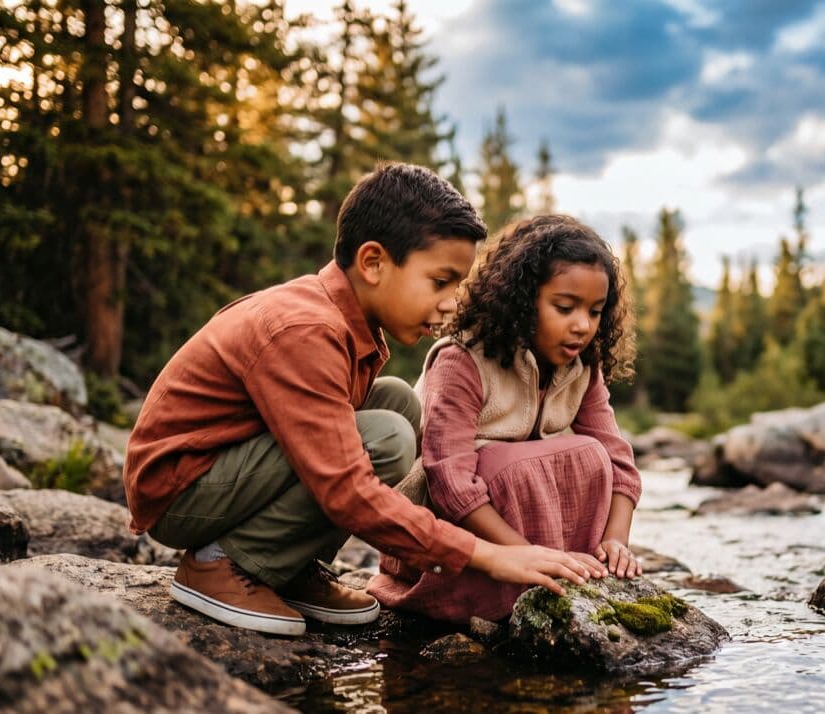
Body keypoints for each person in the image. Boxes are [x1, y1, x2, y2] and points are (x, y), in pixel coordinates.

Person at [123, 164, 596, 637]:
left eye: (458, 285)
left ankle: (285, 566)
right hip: (180, 490)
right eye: (440, 281)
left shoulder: (343, 323)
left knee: (400, 407)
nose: (453, 303)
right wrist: (490, 557)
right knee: (386, 437)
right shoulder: (307, 330)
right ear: (372, 263)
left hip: (225, 473)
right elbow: (346, 489)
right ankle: (219, 565)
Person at [368, 214, 643, 622]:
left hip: (528, 546)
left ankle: (567, 570)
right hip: (453, 545)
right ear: (521, 300)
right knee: (506, 465)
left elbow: (620, 464)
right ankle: (525, 579)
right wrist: (519, 556)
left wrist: (616, 542)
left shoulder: (583, 368)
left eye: (596, 311)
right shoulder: (462, 360)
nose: (582, 325)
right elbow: (450, 483)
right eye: (564, 307)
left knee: (592, 454)